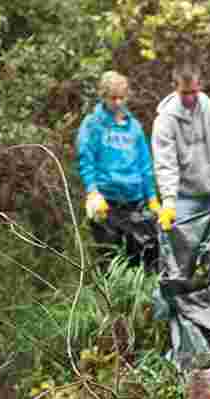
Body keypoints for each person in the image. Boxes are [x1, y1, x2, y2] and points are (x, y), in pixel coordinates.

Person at [76, 71, 160, 269]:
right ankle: (112, 298)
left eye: (122, 97)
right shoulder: (93, 125)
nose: (118, 102)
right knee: (110, 259)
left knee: (140, 258)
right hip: (106, 201)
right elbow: (86, 159)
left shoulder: (134, 127)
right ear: (103, 96)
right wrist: (92, 191)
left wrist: (152, 197)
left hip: (134, 201)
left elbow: (145, 164)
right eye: (113, 98)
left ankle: (139, 299)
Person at [151, 56, 210, 236]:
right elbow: (166, 163)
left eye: (193, 92)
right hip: (182, 198)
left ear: (200, 85)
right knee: (182, 253)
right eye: (184, 93)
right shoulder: (164, 120)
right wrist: (168, 201)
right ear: (174, 87)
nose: (189, 98)